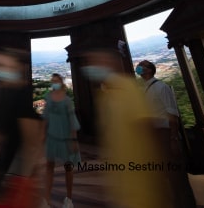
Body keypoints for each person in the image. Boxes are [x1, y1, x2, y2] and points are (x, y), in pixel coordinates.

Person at [81, 47, 170, 208]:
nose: (91, 67)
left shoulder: (128, 88)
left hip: (139, 170)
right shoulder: (104, 94)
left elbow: (146, 126)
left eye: (95, 62)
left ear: (109, 64)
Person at [0, 47, 43, 208]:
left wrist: (26, 179)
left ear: (19, 68)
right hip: (4, 167)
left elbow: (31, 142)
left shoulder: (23, 95)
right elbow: (1, 130)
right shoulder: (1, 93)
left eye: (4, 65)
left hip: (14, 173)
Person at [135, 59, 196, 208]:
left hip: (166, 134)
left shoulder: (162, 87)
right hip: (154, 135)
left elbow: (172, 115)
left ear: (149, 70)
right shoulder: (144, 89)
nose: (139, 67)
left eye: (142, 65)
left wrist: (174, 138)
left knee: (176, 175)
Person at [42, 73, 80, 208]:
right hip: (52, 137)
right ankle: (46, 199)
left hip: (66, 138)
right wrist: (43, 135)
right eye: (52, 81)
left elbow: (72, 121)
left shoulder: (67, 101)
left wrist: (74, 140)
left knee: (68, 168)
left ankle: (69, 199)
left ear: (61, 83)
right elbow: (45, 118)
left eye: (56, 81)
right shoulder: (48, 97)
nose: (54, 83)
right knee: (49, 168)